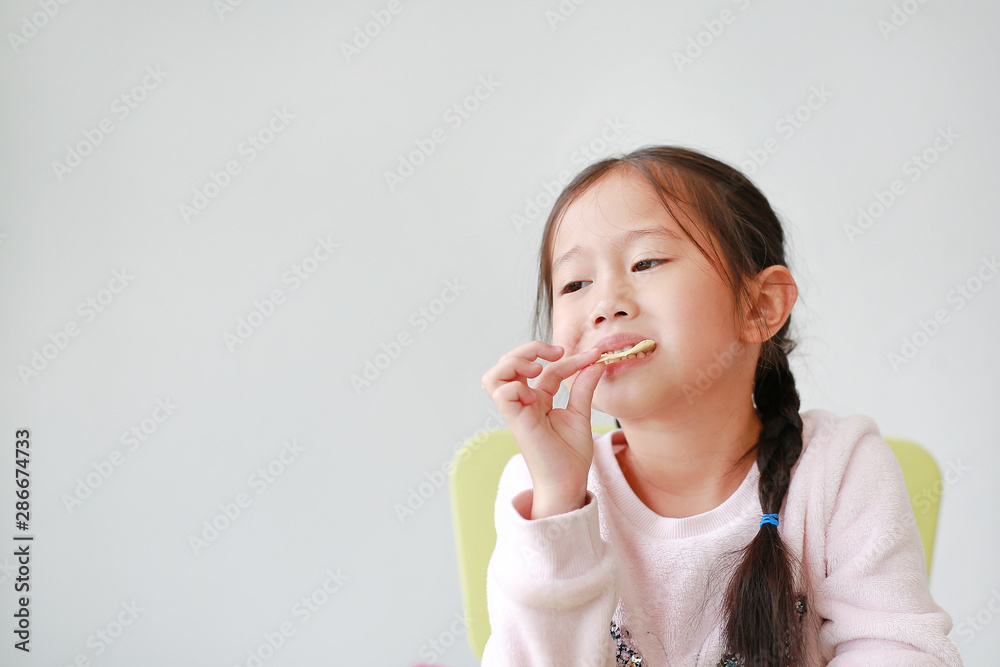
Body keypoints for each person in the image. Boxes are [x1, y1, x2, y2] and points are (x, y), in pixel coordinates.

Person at [478, 146, 963, 666]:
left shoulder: (839, 469)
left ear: (759, 306)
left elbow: (900, 653)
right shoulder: (539, 491)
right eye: (575, 284)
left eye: (646, 262)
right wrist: (559, 502)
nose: (604, 304)